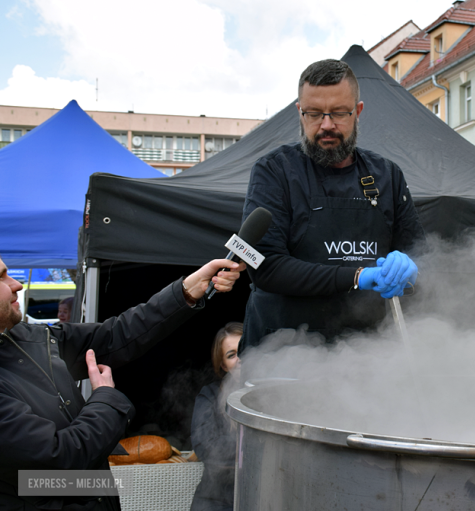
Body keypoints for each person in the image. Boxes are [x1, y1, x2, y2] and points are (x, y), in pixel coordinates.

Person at [0, 256, 245, 510]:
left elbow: (116, 335)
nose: (16, 284)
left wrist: (187, 291)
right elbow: (57, 461)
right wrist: (105, 399)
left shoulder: (29, 338)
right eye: (1, 277)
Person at [241, 58, 425, 346]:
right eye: (314, 114)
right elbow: (266, 267)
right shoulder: (274, 171)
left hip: (367, 351)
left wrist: (411, 268)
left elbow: (420, 254)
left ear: (358, 111)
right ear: (299, 112)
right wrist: (358, 276)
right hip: (283, 351)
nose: (326, 125)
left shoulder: (387, 175)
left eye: (339, 113)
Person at [190, 322, 243, 511]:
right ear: (223, 365)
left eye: (243, 350)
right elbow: (205, 446)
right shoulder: (210, 395)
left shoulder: (271, 396)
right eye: (231, 355)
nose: (240, 359)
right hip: (215, 501)